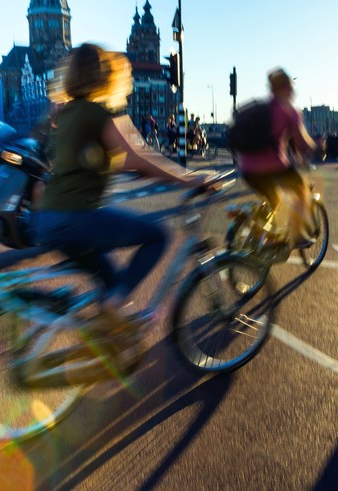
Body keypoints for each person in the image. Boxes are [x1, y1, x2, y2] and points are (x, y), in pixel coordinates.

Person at [35, 43, 206, 338]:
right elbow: (139, 155)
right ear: (104, 75)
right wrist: (190, 179)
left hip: (47, 218)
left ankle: (105, 343)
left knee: (111, 280)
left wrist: (130, 168)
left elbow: (89, 159)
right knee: (158, 235)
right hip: (76, 216)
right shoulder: (97, 113)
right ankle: (113, 309)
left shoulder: (65, 114)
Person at [234, 68, 317, 248]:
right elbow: (302, 144)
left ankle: (259, 235)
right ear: (286, 88)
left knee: (274, 200)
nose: (293, 92)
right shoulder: (289, 111)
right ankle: (297, 235)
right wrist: (317, 148)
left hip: (247, 168)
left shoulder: (262, 108)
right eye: (291, 87)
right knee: (301, 190)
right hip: (273, 167)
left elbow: (282, 139)